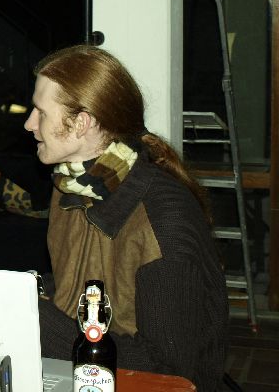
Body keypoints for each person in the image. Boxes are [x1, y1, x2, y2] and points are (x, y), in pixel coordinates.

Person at [23, 45, 228, 392]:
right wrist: (26, 292)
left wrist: (34, 321)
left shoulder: (163, 219)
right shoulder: (70, 187)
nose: (29, 123)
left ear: (81, 123)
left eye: (41, 113)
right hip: (85, 376)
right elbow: (83, 283)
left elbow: (169, 371)